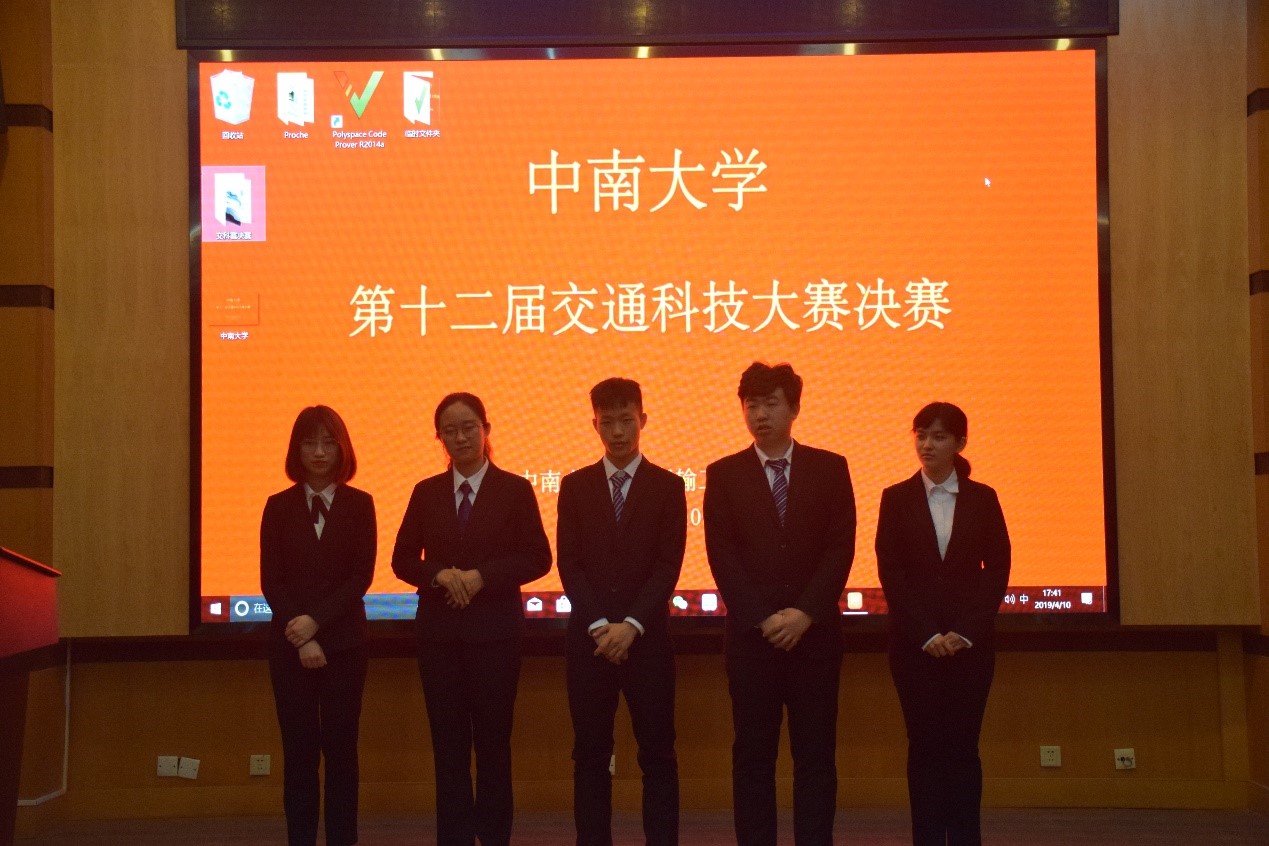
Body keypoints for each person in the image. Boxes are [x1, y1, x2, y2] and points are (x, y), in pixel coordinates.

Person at [703, 362, 856, 846]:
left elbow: (840, 548)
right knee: (753, 759)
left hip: (815, 639)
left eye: (771, 404)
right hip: (753, 642)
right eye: (751, 405)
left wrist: (805, 613)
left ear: (794, 408)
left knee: (815, 759)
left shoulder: (830, 468)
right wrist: (762, 619)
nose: (760, 414)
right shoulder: (724, 474)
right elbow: (722, 554)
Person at [392, 392, 552, 846]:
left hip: (496, 638)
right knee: (448, 749)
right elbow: (403, 559)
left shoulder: (515, 490)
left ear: (486, 430)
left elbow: (538, 557)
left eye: (468, 428)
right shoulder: (426, 492)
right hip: (439, 639)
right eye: (450, 431)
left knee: (494, 747)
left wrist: (483, 577)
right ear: (439, 437)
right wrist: (439, 574)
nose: (460, 438)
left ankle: (495, 836)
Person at [557, 378, 687, 846]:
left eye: (626, 420)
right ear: (594, 424)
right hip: (589, 645)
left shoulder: (668, 486)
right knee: (590, 756)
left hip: (647, 643)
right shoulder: (574, 487)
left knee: (658, 756)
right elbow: (569, 563)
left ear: (642, 420)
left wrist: (631, 626)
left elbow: (667, 565)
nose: (617, 431)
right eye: (607, 421)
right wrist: (599, 626)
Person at [875, 402, 1011, 846]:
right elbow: (891, 572)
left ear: (960, 443)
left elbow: (998, 569)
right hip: (914, 648)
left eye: (938, 437)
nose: (927, 445)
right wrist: (927, 633)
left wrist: (966, 631)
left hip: (970, 648)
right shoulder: (896, 498)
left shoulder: (983, 498)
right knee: (924, 749)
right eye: (920, 435)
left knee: (964, 749)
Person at [260, 405, 377, 846]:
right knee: (299, 755)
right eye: (310, 442)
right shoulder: (278, 506)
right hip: (289, 649)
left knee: (343, 753)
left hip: (345, 647)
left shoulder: (360, 504)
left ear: (343, 448)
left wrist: (315, 624)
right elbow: (272, 580)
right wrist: (300, 634)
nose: (320, 452)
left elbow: (360, 577)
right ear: (296, 450)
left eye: (329, 442)